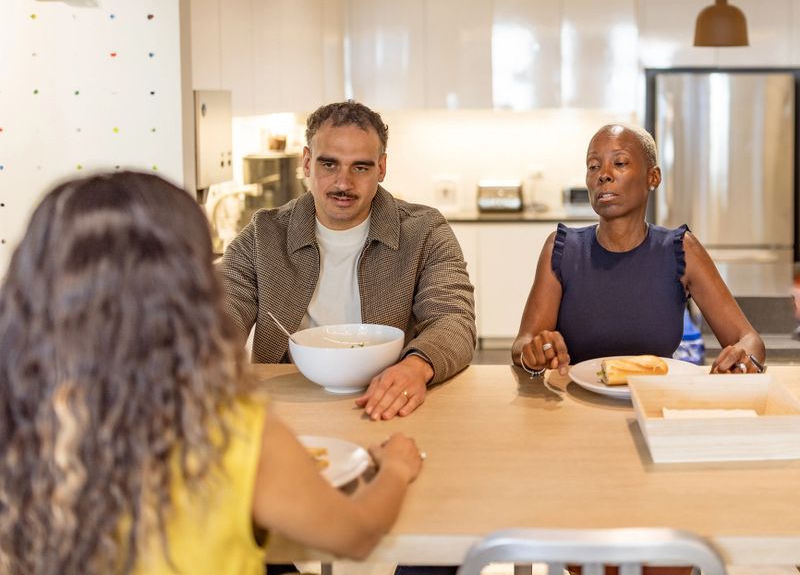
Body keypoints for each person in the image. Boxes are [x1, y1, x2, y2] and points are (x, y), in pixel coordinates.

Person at [0, 171, 423, 575]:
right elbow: (357, 535)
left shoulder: (20, 428)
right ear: (189, 287)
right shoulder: (232, 434)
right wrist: (397, 468)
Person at [221, 101, 476, 421]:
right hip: (286, 409)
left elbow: (454, 320)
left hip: (389, 404)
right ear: (307, 162)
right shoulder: (263, 236)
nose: (343, 183)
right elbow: (220, 313)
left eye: (360, 167)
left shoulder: (425, 231)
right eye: (329, 164)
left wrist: (415, 367)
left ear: (381, 168)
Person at [513, 123, 766, 377]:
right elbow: (523, 344)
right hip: (574, 404)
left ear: (652, 177)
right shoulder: (562, 249)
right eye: (593, 166)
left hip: (657, 404)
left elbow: (748, 339)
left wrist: (743, 360)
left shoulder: (681, 250)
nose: (604, 174)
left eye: (620, 163)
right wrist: (534, 352)